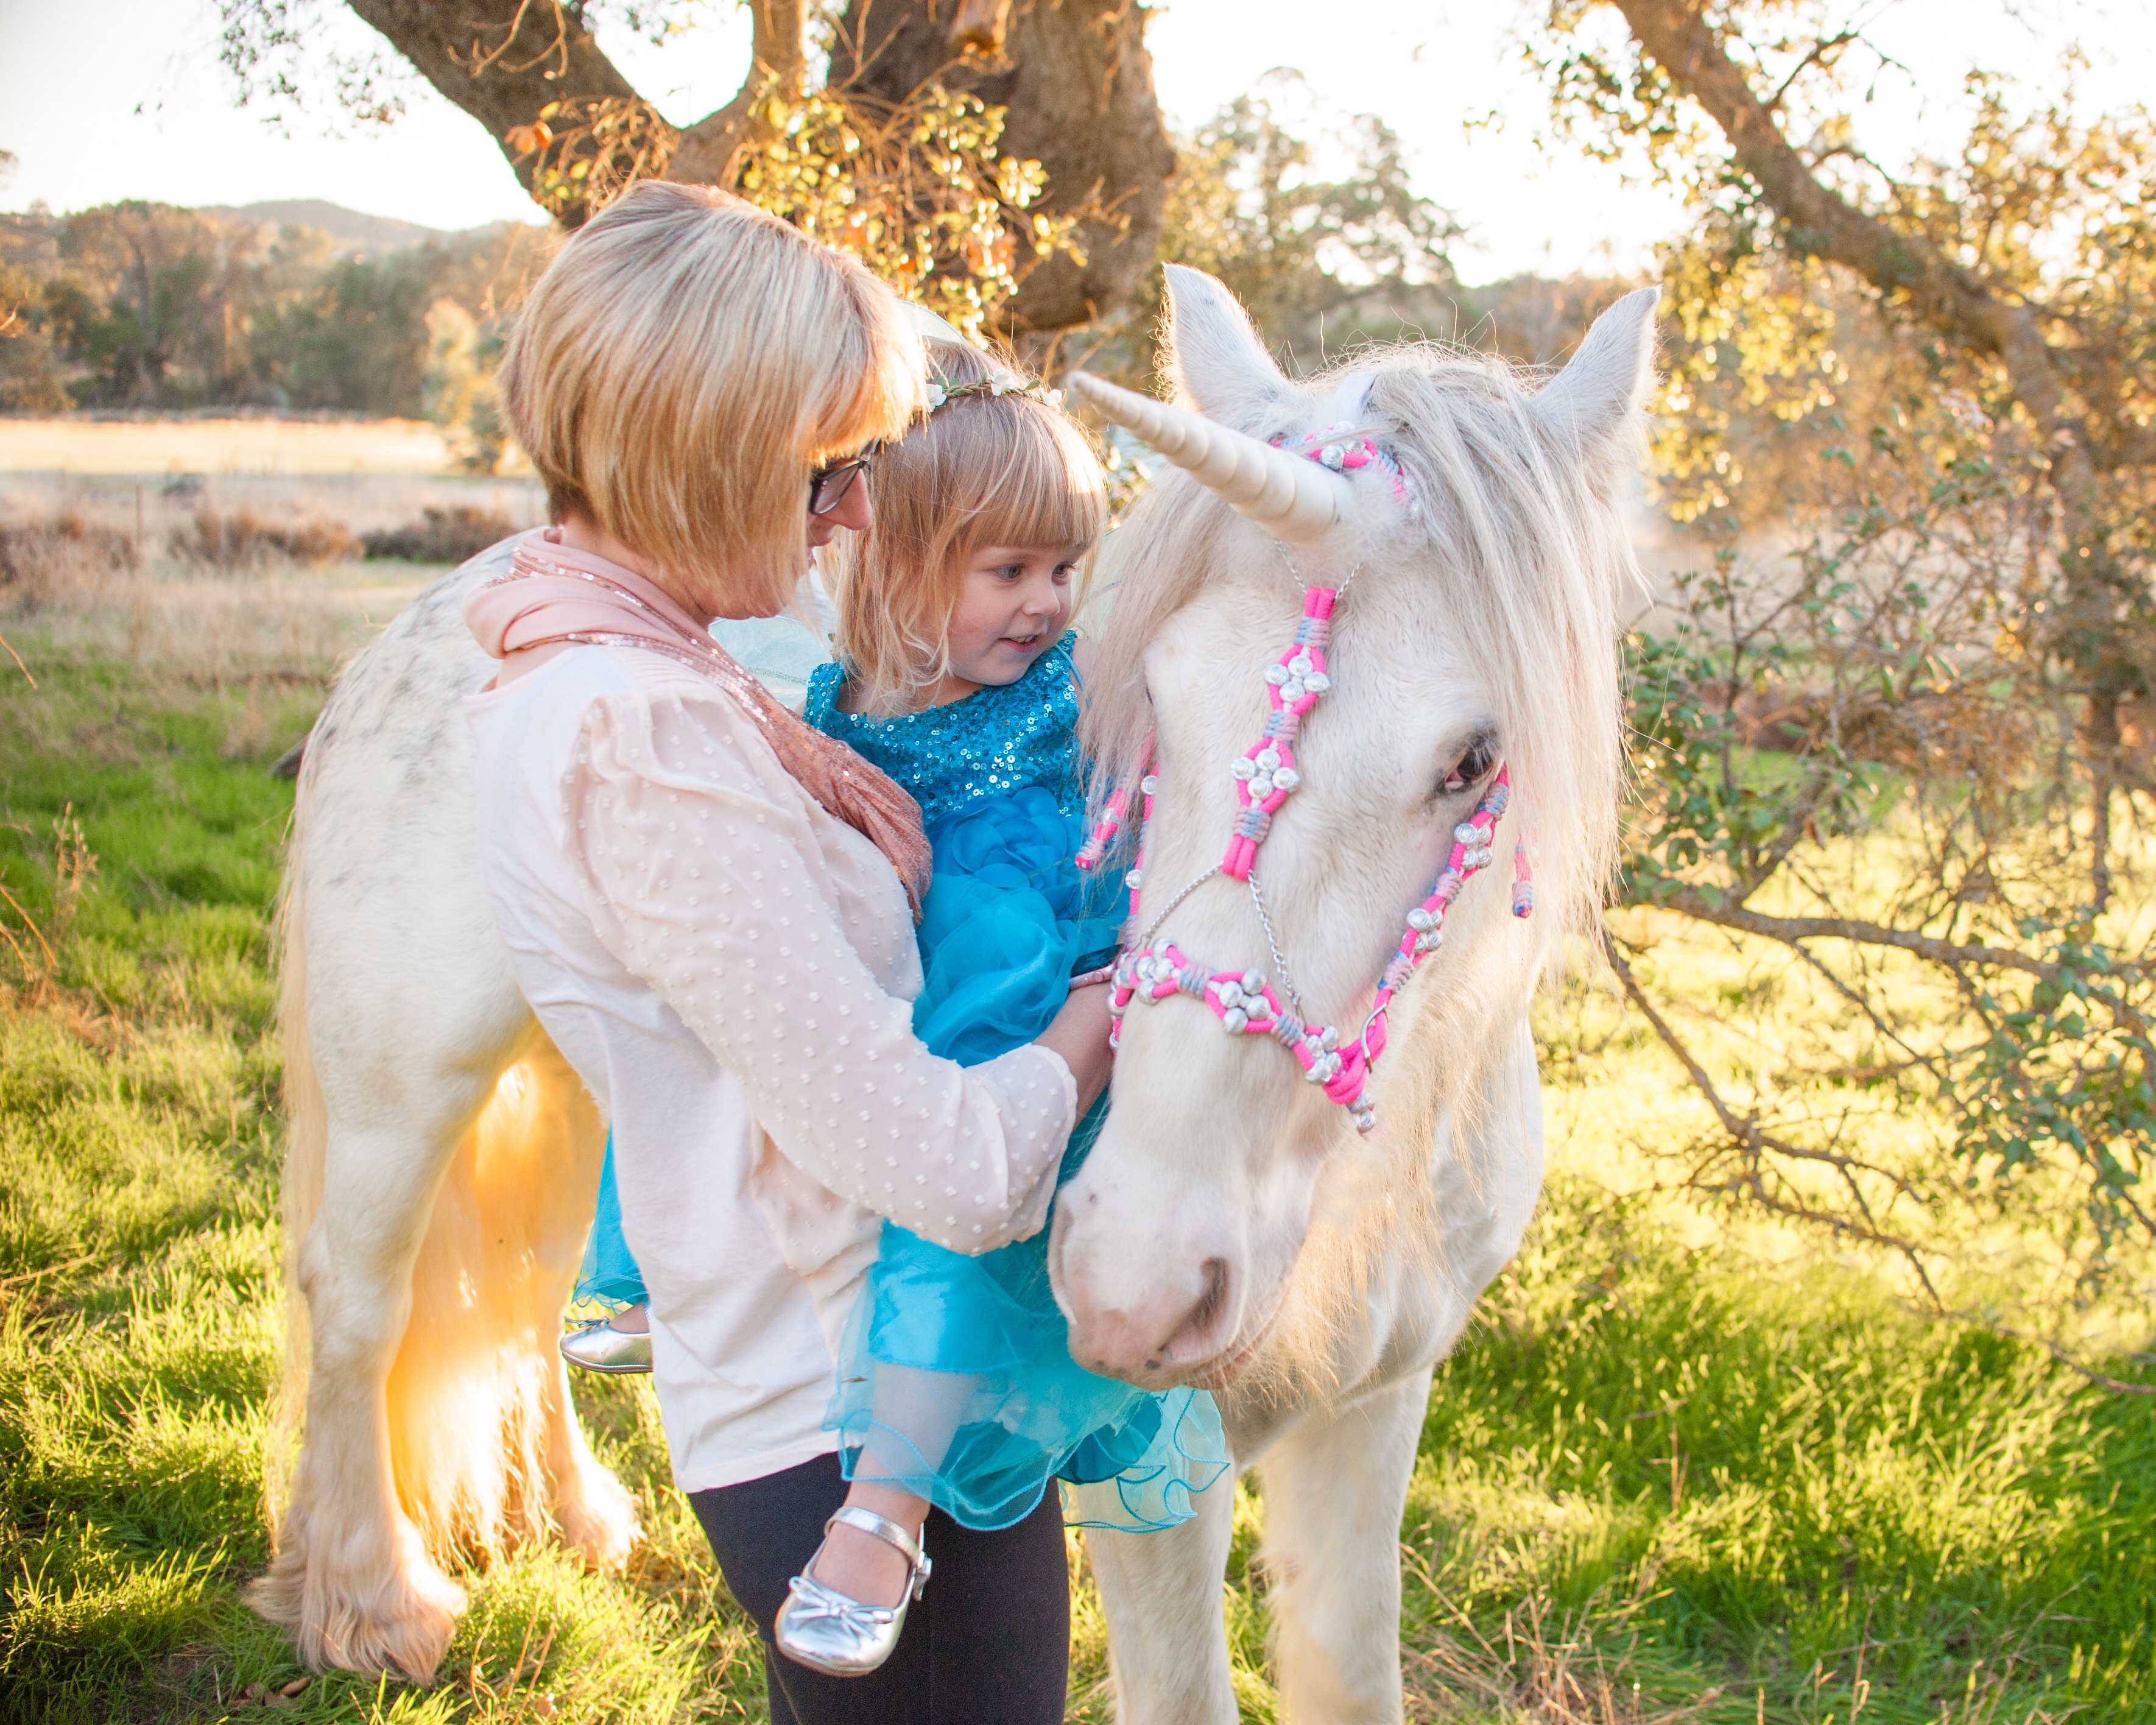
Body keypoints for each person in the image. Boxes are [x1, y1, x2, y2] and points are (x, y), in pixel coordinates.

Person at [461, 181, 1111, 1725]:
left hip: (805, 1377)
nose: (857, 512)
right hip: (845, 1415)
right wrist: (1106, 1007)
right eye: (830, 470)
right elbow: (951, 1167)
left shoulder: (602, 659)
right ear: (708, 455)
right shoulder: (646, 734)